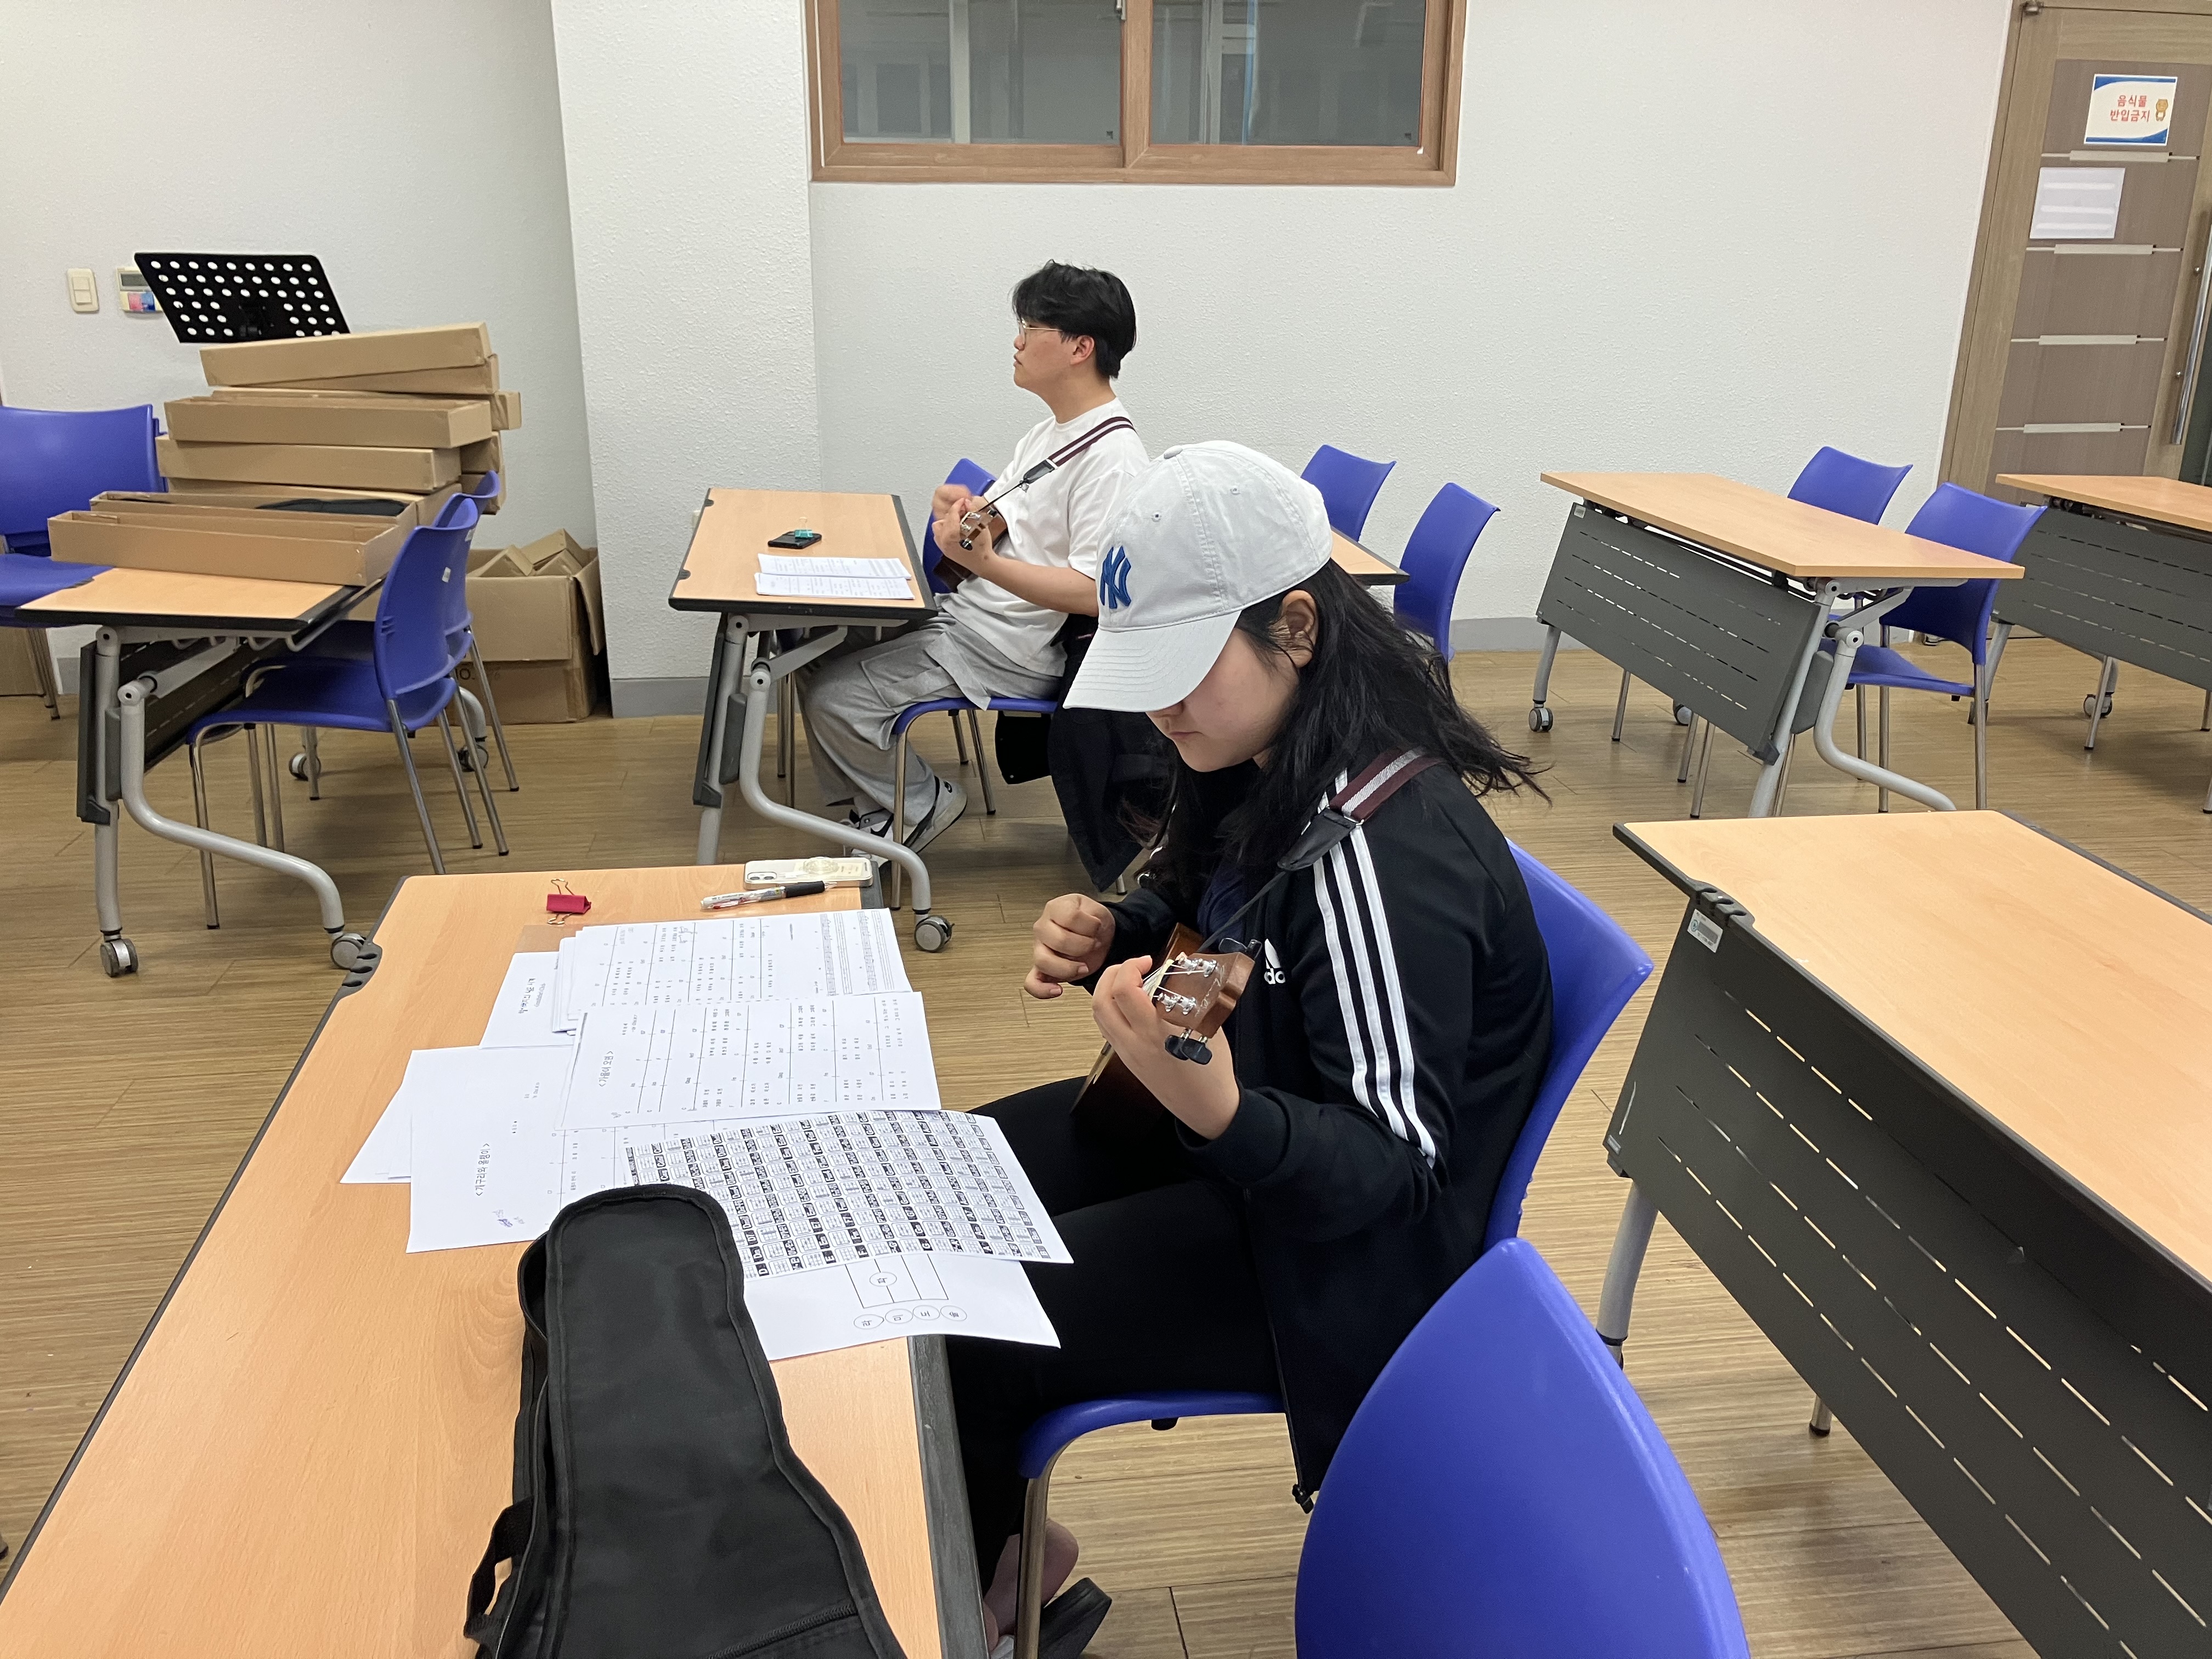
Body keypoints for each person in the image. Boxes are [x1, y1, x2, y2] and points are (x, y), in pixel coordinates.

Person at [947, 441, 1556, 1656]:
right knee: (950, 1179)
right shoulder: (1253, 752)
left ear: (1297, 628)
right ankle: (1004, 1549)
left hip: (1330, 1252)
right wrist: (1119, 925)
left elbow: (1393, 1173)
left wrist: (1220, 1111)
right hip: (1242, 1133)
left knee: (968, 1320)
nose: (1161, 709)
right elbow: (1207, 899)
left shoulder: (1386, 853)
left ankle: (975, 1596)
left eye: (1183, 669)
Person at [798, 261, 1149, 850]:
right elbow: (1007, 523)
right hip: (973, 615)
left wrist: (987, 564)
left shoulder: (1113, 460)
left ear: (1080, 347)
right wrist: (969, 516)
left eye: (1031, 328)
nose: (1017, 342)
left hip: (1010, 647)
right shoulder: (1051, 433)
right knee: (818, 647)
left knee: (833, 698)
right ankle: (878, 804)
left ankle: (921, 804)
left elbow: (1094, 592)